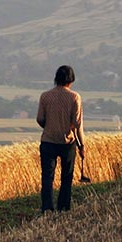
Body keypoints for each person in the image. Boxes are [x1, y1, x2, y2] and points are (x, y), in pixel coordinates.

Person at [36, 64, 85, 213]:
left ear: (56, 79)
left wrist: (49, 126)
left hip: (48, 141)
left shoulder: (45, 96)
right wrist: (82, 145)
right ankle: (63, 208)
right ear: (71, 80)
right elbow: (77, 124)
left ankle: (47, 208)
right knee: (66, 177)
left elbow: (40, 119)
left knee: (47, 178)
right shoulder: (74, 97)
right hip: (67, 143)